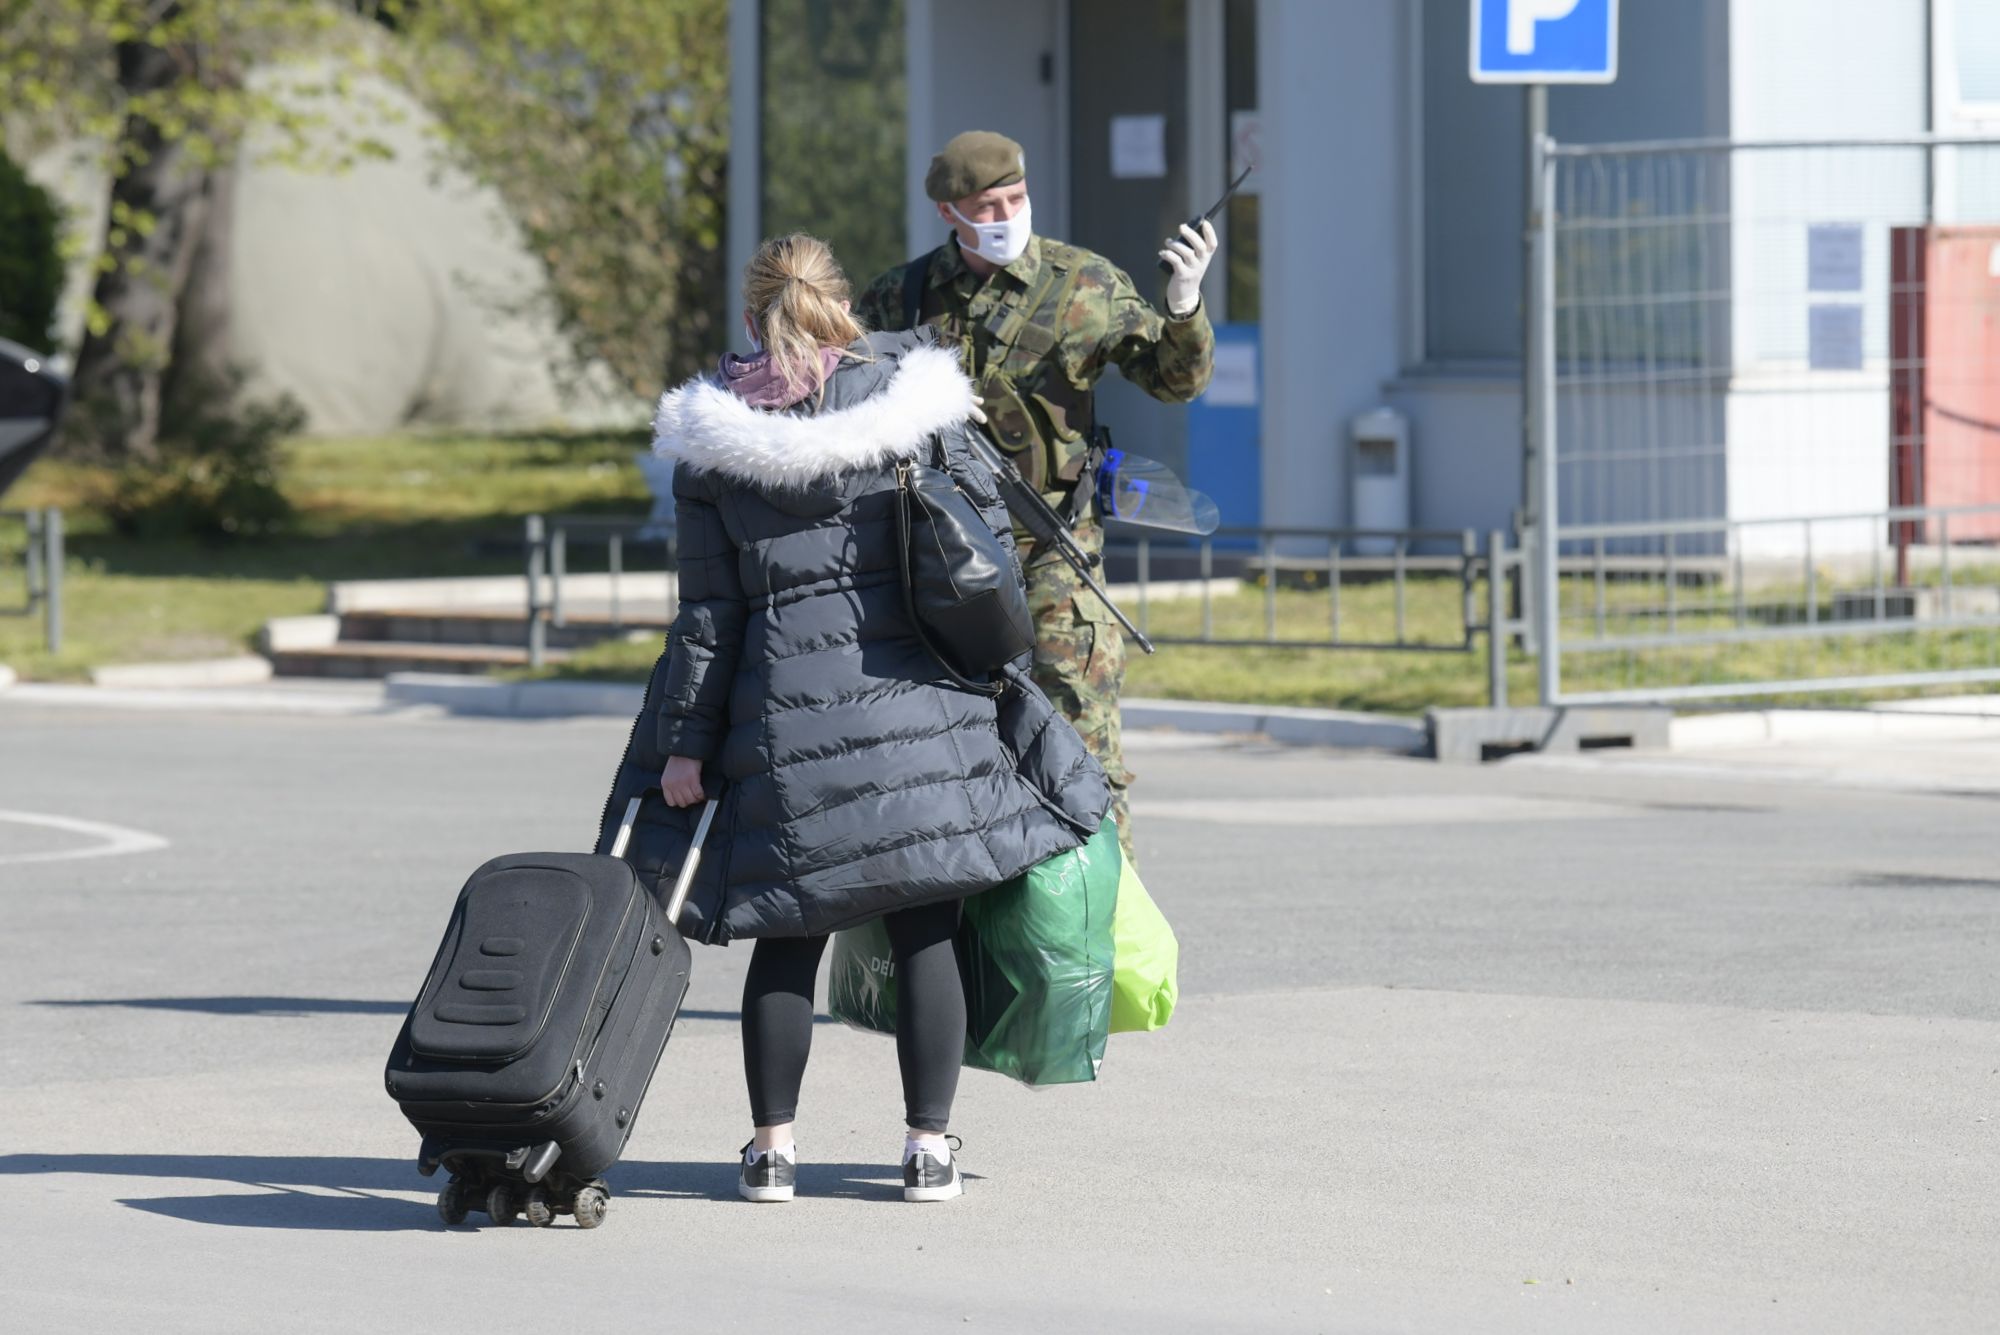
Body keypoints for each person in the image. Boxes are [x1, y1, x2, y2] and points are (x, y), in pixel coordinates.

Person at [599, 233, 1108, 1205]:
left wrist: (685, 748)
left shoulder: (714, 446)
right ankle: (926, 1149)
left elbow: (707, 620)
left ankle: (771, 1151)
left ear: (751, 315)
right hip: (923, 716)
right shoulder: (912, 405)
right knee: (924, 932)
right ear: (843, 304)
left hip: (785, 734)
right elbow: (987, 552)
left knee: (789, 936)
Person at [856, 129, 1219, 866]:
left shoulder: (1083, 283)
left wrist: (1184, 308)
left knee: (1084, 746)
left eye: (1016, 198)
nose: (1007, 216)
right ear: (949, 213)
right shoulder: (902, 296)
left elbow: (1173, 380)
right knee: (945, 757)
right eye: (987, 206)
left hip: (1054, 548)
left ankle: (1101, 911)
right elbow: (848, 397)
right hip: (943, 558)